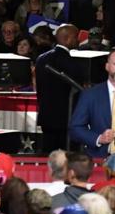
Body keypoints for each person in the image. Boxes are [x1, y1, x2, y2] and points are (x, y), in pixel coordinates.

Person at [35, 24, 84, 153]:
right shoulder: (72, 62)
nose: (78, 40)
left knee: (48, 157)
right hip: (66, 119)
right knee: (65, 159)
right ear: (67, 39)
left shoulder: (41, 59)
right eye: (75, 37)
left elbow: (39, 88)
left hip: (47, 117)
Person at [70, 50, 115, 158]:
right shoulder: (90, 95)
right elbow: (75, 128)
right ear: (107, 66)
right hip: (100, 159)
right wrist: (99, 138)